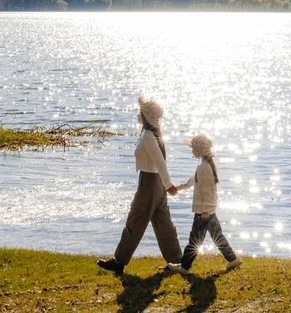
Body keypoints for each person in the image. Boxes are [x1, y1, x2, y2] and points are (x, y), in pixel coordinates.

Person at [97, 96, 183, 276]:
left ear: (145, 115)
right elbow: (160, 163)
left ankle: (119, 262)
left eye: (140, 112)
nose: (138, 115)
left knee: (135, 220)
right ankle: (176, 260)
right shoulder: (154, 133)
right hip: (156, 184)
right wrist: (166, 185)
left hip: (150, 184)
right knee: (163, 223)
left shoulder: (149, 136)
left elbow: (160, 162)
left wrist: (169, 185)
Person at [168, 133, 241, 275]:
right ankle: (233, 259)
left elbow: (207, 192)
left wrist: (205, 212)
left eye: (193, 148)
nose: (191, 151)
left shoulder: (204, 168)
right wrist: (178, 188)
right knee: (216, 236)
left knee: (194, 239)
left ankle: (184, 267)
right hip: (208, 210)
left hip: (204, 211)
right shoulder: (203, 165)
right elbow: (192, 181)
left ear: (199, 150)